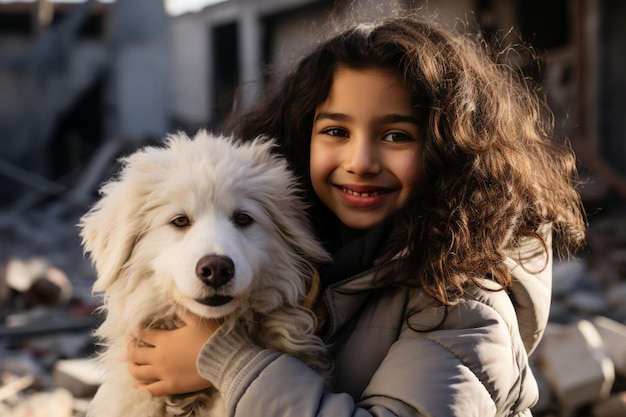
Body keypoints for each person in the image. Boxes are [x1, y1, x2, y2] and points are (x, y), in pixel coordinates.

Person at [126, 12, 586, 417]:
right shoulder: (314, 252)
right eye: (336, 131)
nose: (360, 161)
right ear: (303, 136)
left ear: (448, 150)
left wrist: (226, 361)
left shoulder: (466, 302)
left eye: (395, 136)